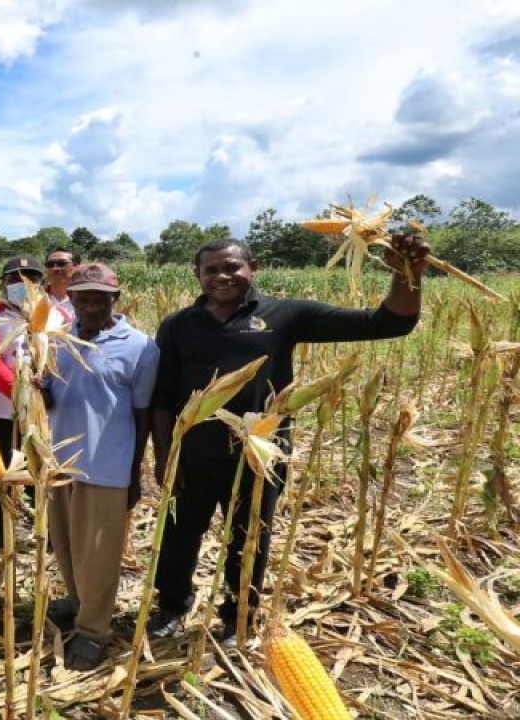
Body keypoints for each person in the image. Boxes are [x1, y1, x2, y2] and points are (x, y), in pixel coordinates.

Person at [147, 235, 430, 642]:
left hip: (259, 453)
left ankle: (238, 615)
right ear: (198, 275)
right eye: (212, 270)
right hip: (191, 455)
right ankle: (172, 607)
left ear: (253, 267)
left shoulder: (284, 314)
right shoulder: (178, 325)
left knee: (250, 538)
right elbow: (163, 396)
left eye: (232, 267)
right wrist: (164, 456)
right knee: (177, 535)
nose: (222, 276)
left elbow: (388, 323)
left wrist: (407, 274)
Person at [41, 263, 158, 670]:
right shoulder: (54, 342)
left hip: (108, 466)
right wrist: (33, 390)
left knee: (100, 555)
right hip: (60, 463)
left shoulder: (141, 347)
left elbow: (143, 413)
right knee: (67, 546)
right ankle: (78, 605)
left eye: (99, 299)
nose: (91, 306)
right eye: (83, 298)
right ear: (70, 300)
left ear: (115, 300)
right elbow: (50, 400)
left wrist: (135, 472)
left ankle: (93, 631)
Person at [0, 256, 70, 551]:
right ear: (2, 283)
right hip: (4, 409)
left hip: (47, 410)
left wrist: (47, 388)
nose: (21, 284)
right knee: (0, 469)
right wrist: (20, 391)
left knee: (45, 467)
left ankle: (51, 527)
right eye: (14, 278)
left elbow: (65, 358)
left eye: (29, 277)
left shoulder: (59, 316)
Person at [44, 248, 79, 317]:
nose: (55, 268)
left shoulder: (85, 301)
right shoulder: (34, 300)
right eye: (50, 264)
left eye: (61, 264)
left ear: (76, 267)